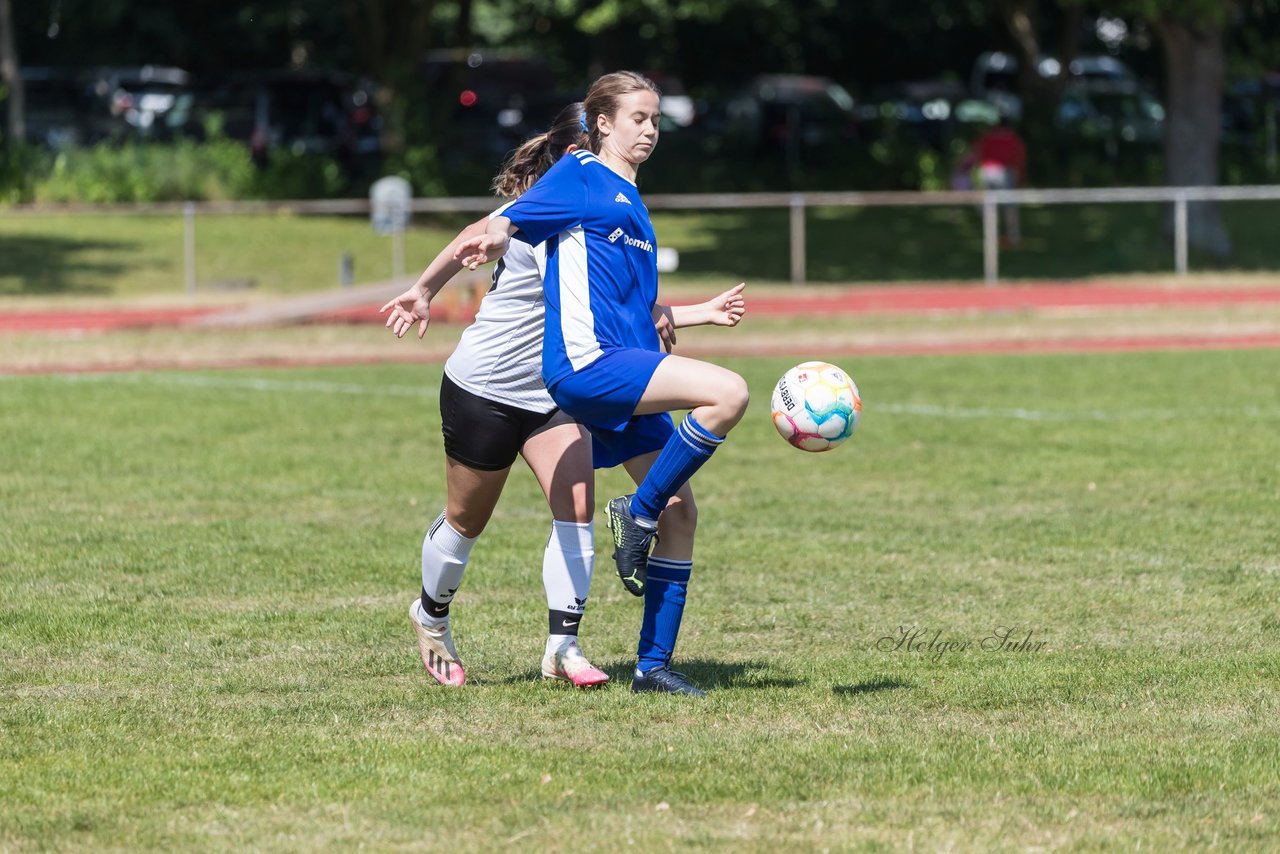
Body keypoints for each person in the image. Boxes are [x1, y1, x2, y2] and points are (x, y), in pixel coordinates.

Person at [381, 101, 746, 691]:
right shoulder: (550, 202)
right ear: (583, 149)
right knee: (466, 520)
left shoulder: (599, 207)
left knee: (575, 507)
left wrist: (695, 313)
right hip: (487, 385)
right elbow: (479, 233)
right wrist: (423, 290)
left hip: (557, 389)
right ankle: (431, 615)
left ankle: (563, 648)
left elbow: (614, 305)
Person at [962, 115, 1028, 246]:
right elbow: (1019, 158)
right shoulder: (1012, 138)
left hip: (986, 172)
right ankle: (1013, 237)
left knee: (988, 206)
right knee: (1010, 206)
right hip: (1004, 173)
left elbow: (975, 152)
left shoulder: (987, 137)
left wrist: (964, 168)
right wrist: (1021, 176)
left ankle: (992, 236)